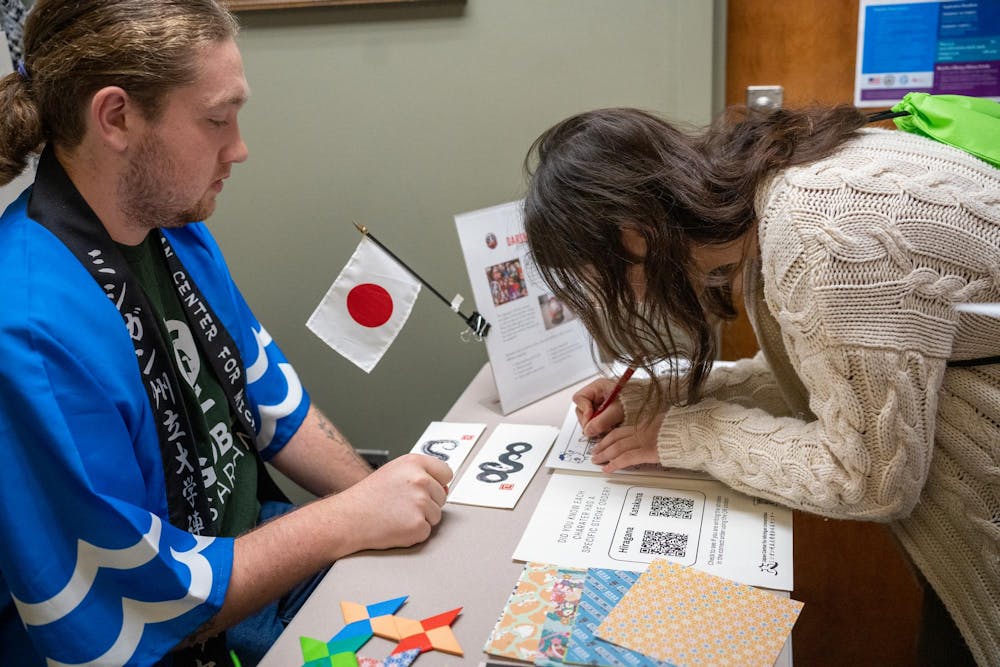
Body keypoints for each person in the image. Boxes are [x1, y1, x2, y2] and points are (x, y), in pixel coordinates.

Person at [0, 1, 452, 665]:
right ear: (116, 117)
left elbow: (272, 402)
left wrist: (381, 503)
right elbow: (133, 608)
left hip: (253, 557)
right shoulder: (30, 330)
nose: (239, 147)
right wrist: (352, 518)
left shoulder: (176, 226)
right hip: (169, 628)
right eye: (217, 119)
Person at [522, 105, 1000, 666]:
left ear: (633, 235)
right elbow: (840, 381)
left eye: (595, 278)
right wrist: (665, 396)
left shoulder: (820, 239)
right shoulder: (774, 193)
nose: (623, 299)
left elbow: (870, 478)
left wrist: (692, 433)